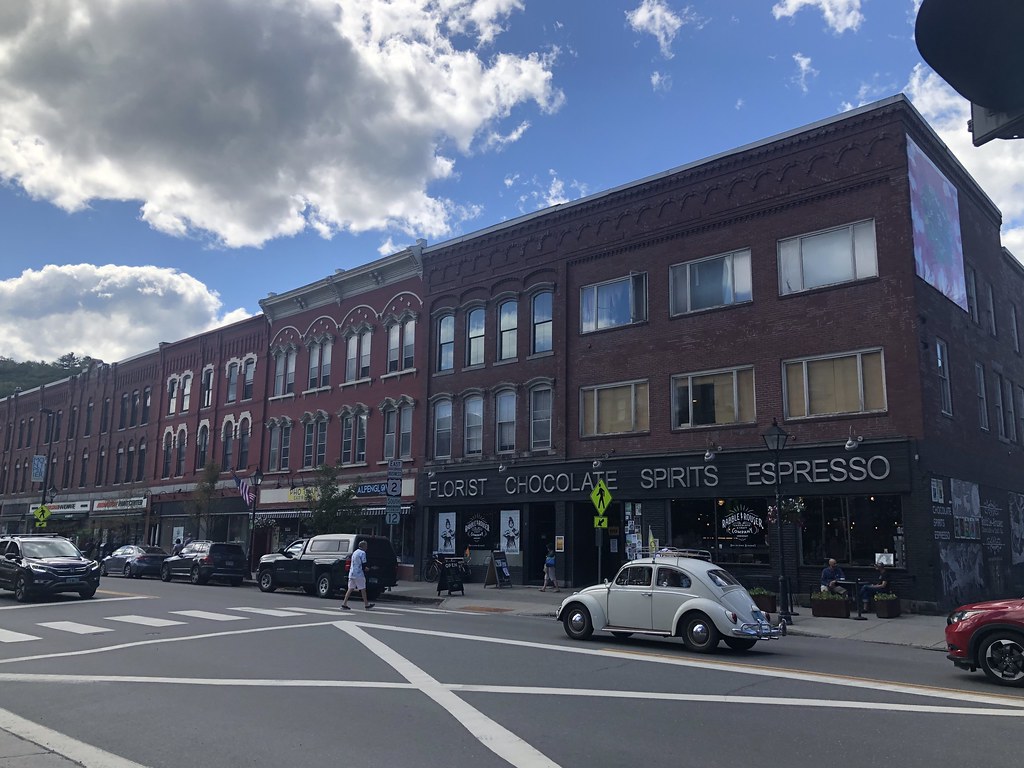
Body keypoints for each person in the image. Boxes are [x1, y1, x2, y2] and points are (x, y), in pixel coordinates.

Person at [341, 540, 375, 611]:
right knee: (363, 589)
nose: (367, 547)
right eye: (366, 546)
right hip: (359, 574)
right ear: (363, 546)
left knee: (350, 589)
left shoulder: (355, 552)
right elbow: (363, 564)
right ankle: (366, 605)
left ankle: (344, 603)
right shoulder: (362, 553)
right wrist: (368, 569)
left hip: (352, 573)